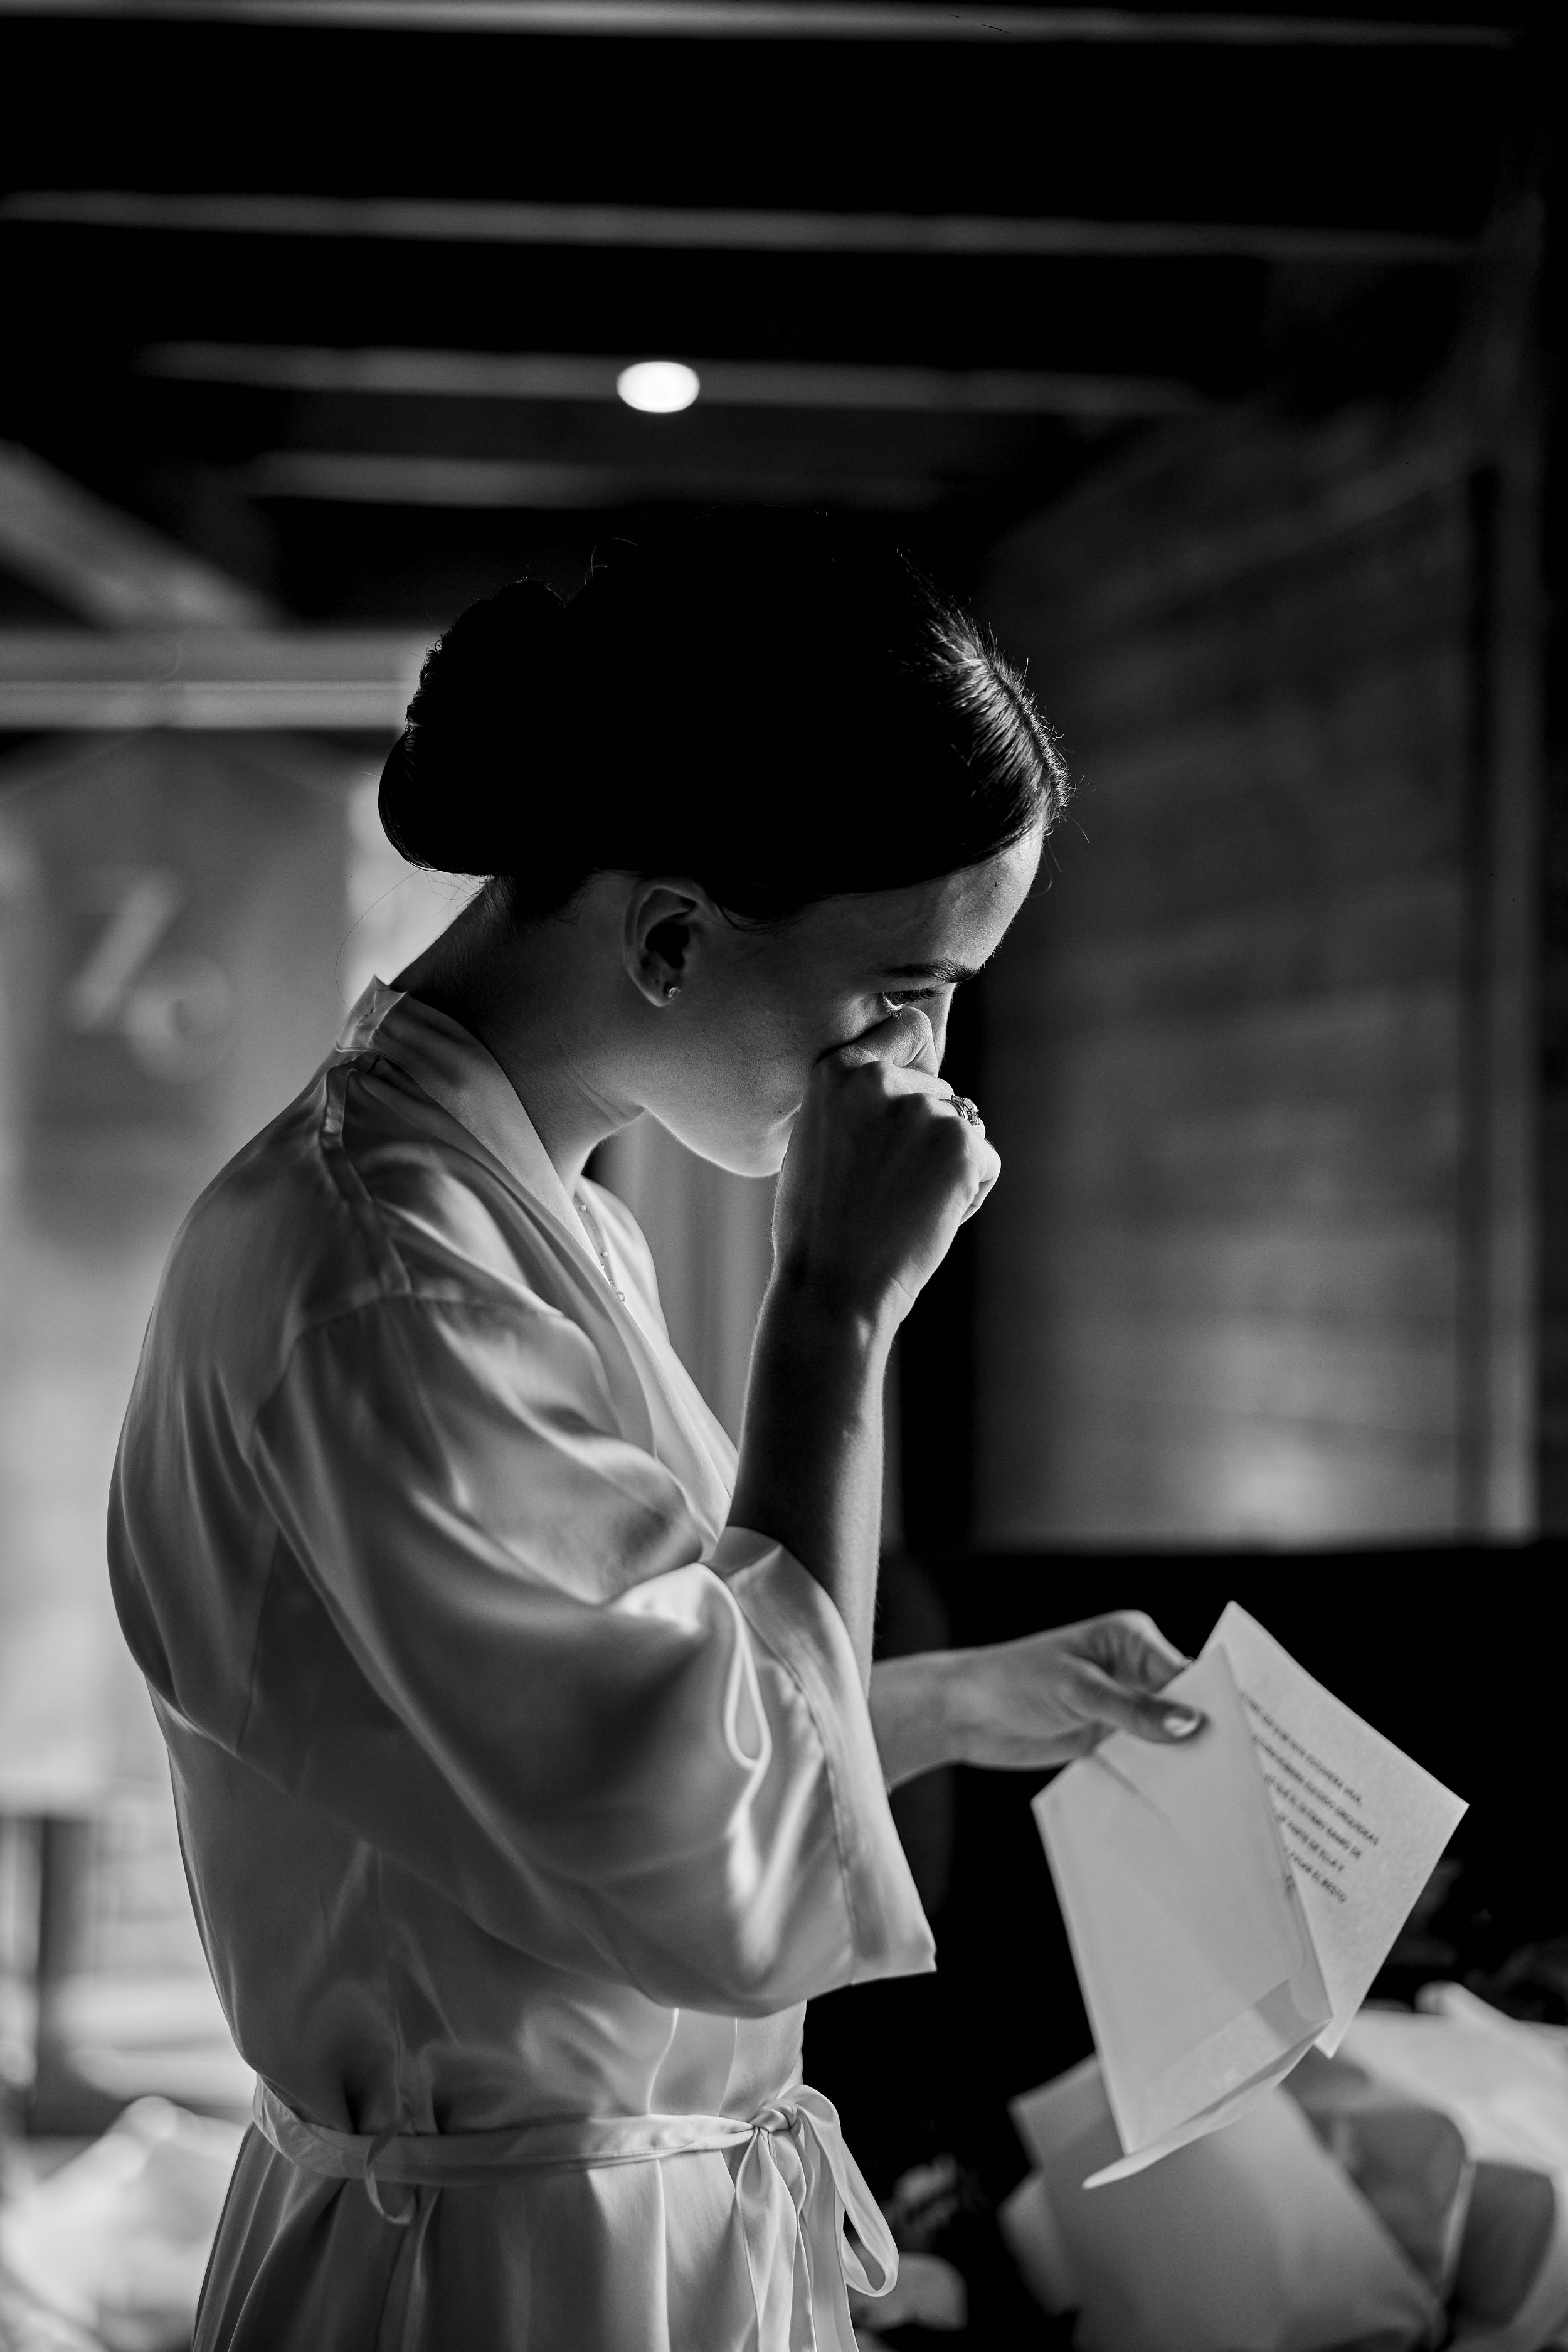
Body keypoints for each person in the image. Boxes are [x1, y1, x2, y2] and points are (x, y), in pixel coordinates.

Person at [109, 515, 1200, 2352]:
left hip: (630, 2218)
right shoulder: (383, 1271)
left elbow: (571, 1731)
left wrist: (941, 1706)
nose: (923, 1066)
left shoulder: (534, 1208)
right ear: (675, 938)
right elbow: (719, 1875)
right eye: (900, 991)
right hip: (507, 2275)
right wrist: (835, 1309)